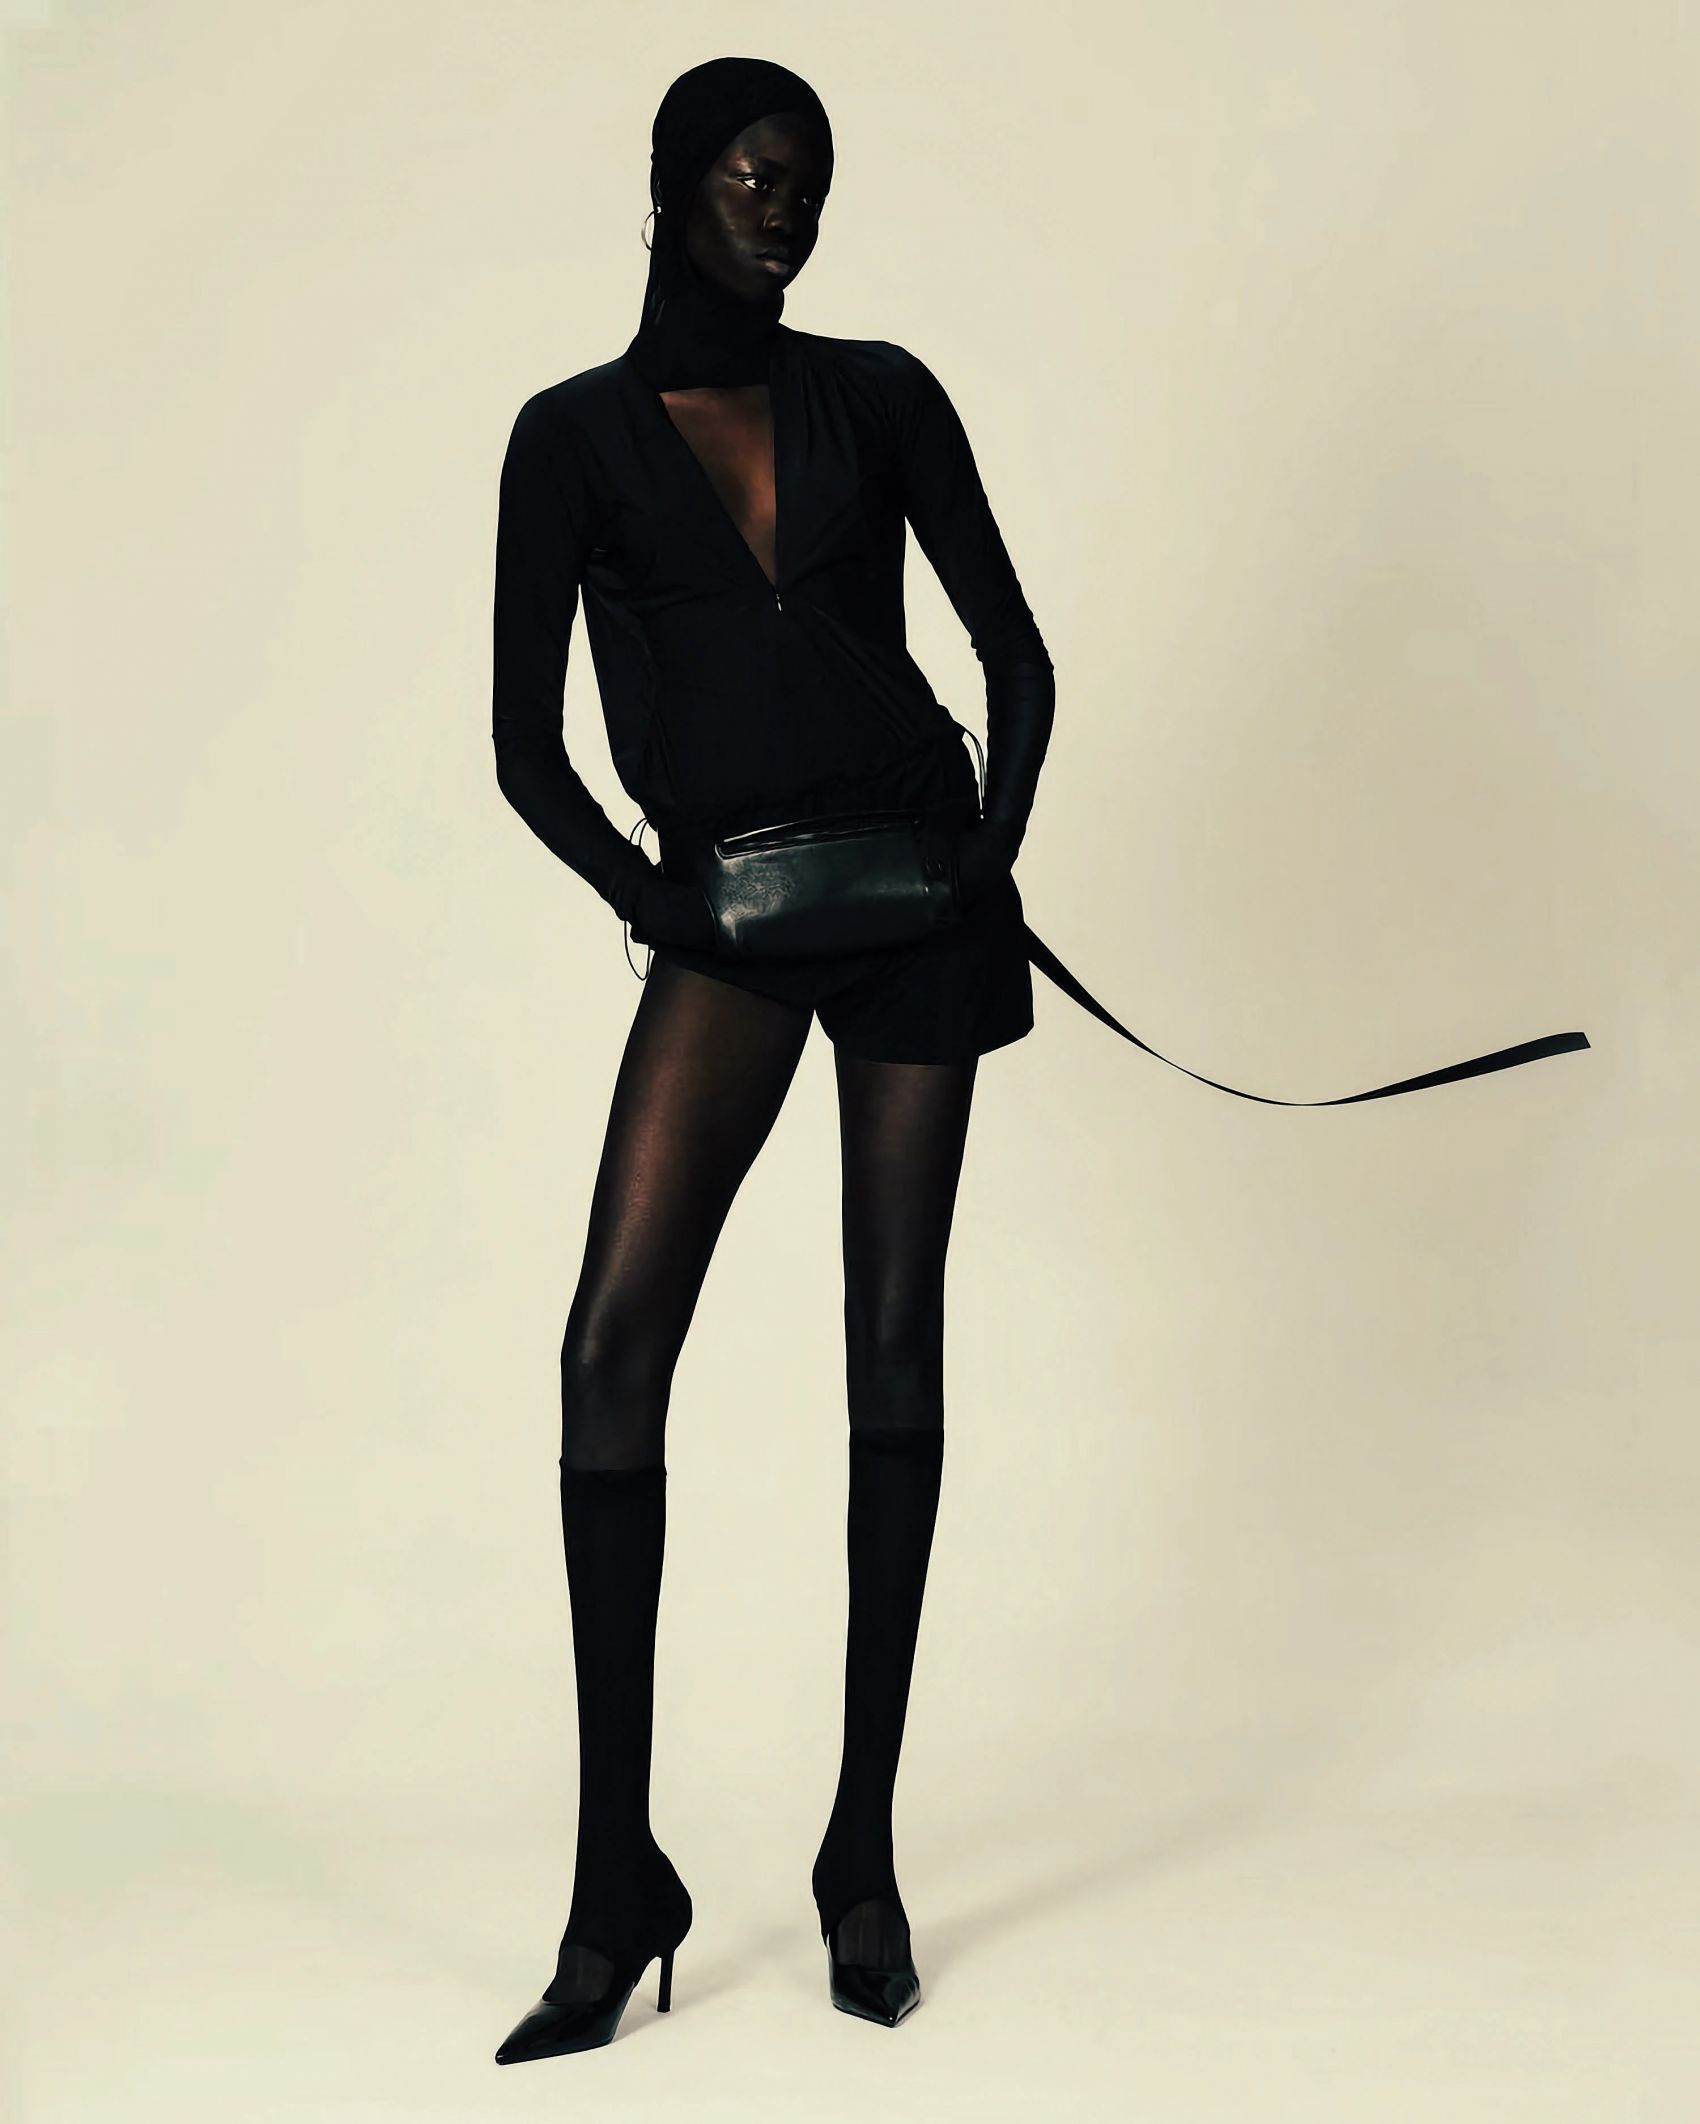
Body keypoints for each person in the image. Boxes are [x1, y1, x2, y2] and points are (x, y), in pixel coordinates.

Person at [488, 57, 1055, 2064]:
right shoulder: (570, 437)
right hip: (732, 918)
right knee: (608, 1347)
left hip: (916, 908)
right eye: (748, 177)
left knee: (891, 1342)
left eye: (806, 182)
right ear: (666, 185)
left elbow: (1014, 655)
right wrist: (663, 907)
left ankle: (859, 1857)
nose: (783, 211)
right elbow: (525, 752)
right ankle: (612, 1883)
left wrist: (980, 867)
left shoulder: (878, 396)